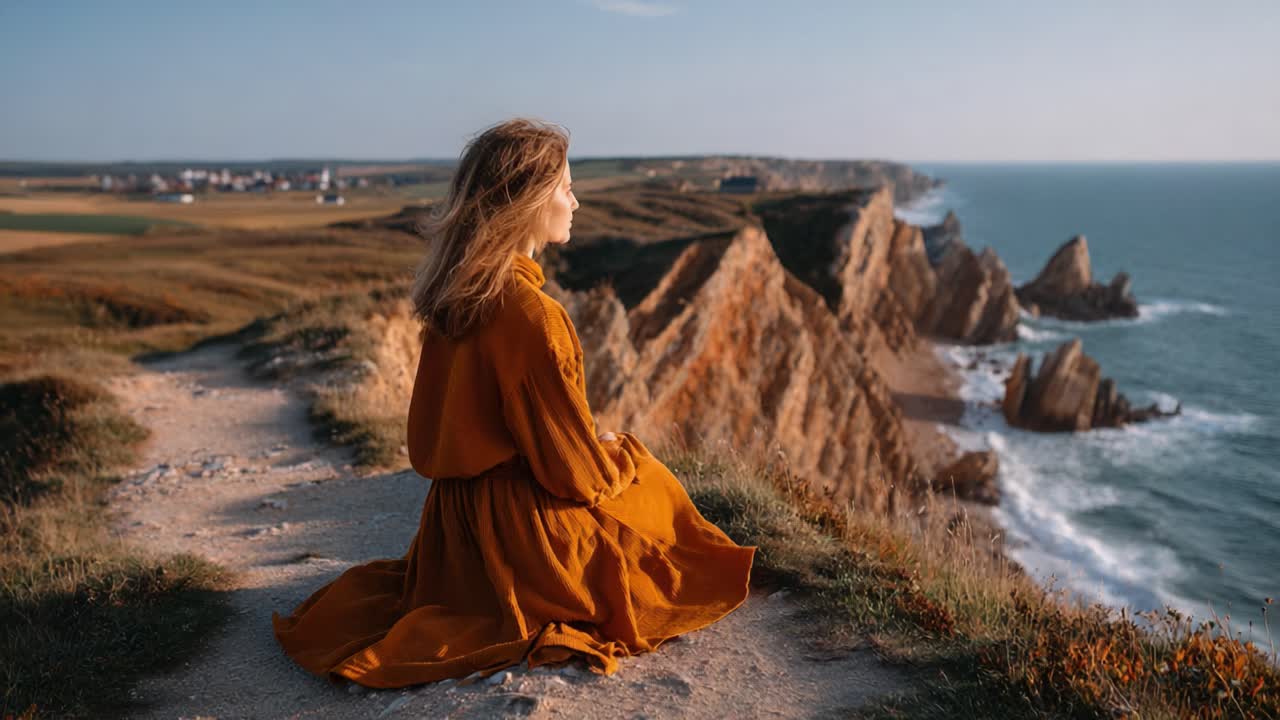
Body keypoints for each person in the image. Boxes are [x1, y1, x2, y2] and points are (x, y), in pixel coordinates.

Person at [272, 118, 755, 689]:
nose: (576, 200)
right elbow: (574, 477)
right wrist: (618, 456)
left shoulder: (456, 297)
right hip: (519, 536)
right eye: (565, 188)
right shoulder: (533, 318)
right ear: (527, 201)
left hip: (454, 533)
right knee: (651, 485)